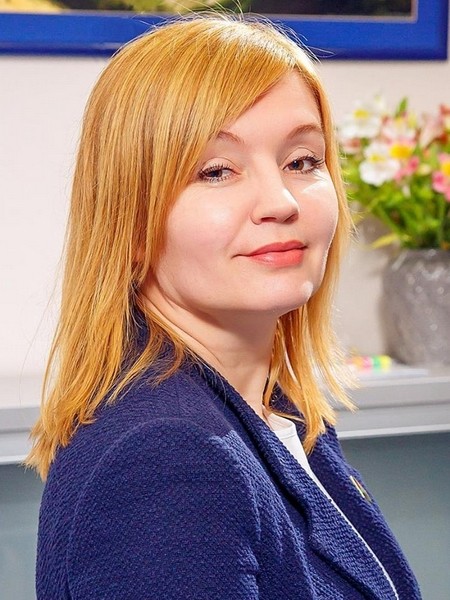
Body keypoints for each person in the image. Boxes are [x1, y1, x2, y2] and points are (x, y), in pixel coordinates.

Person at [27, 13, 421, 599]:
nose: (281, 201)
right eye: (216, 171)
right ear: (130, 222)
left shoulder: (273, 414)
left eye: (302, 161)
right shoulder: (168, 461)